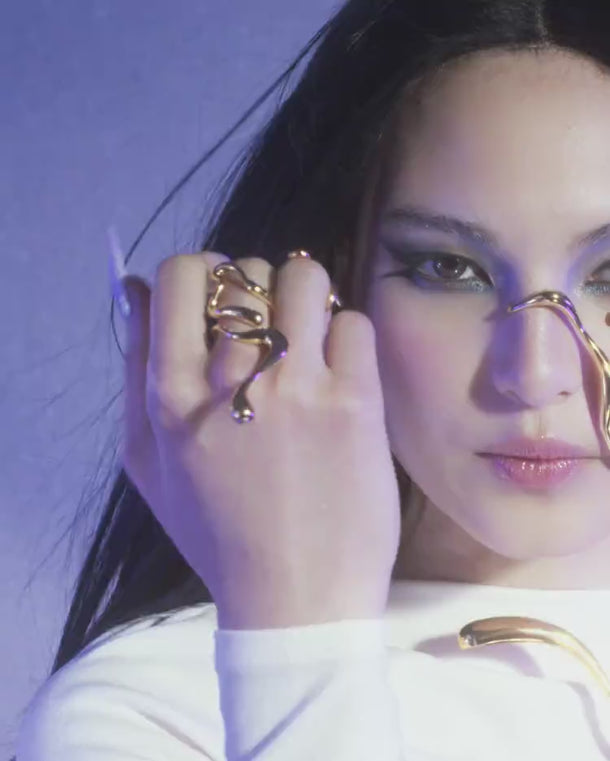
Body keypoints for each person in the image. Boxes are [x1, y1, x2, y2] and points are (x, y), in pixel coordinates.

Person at [13, 0, 610, 758]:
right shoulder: (155, 708)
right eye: (447, 268)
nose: (535, 374)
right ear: (337, 278)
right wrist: (298, 649)